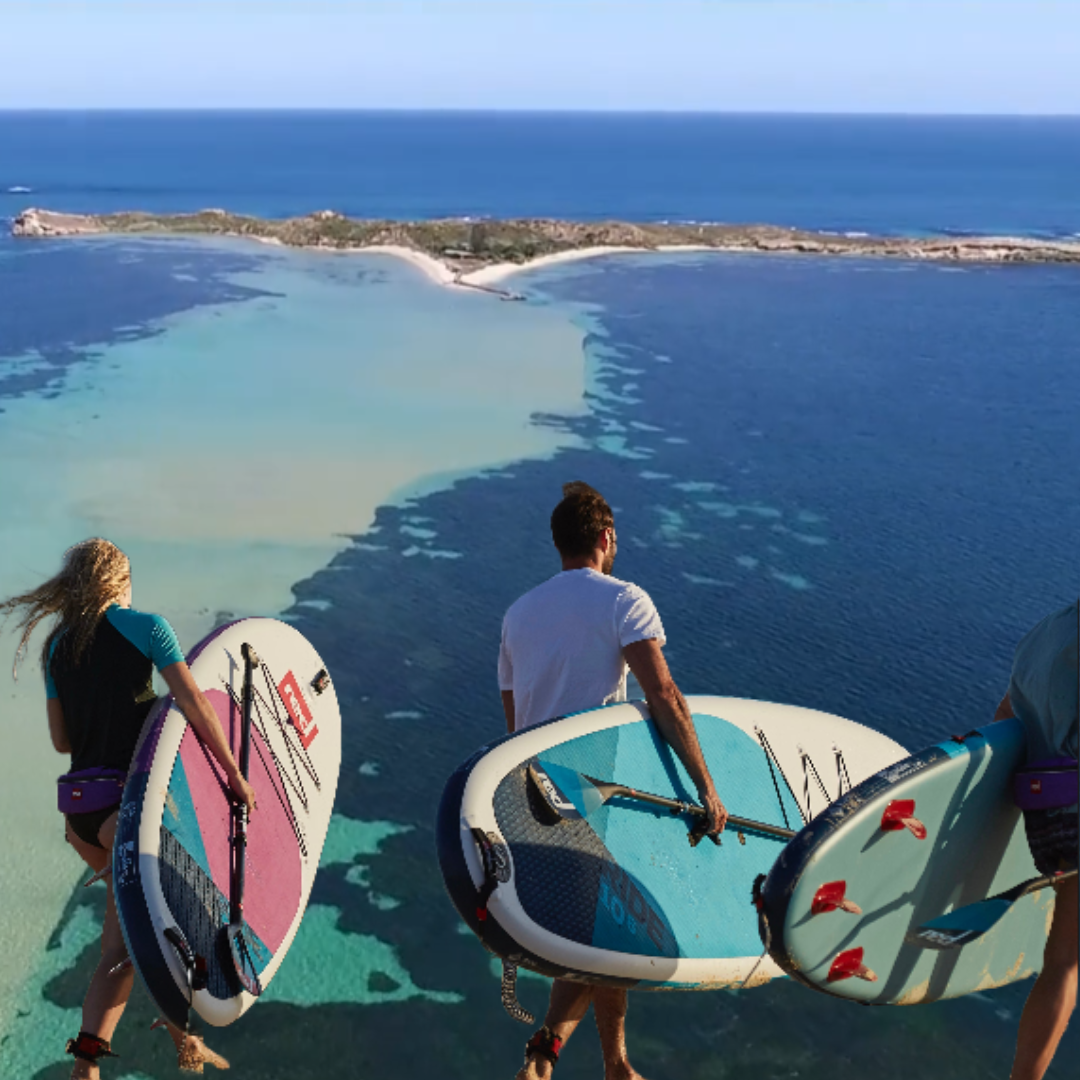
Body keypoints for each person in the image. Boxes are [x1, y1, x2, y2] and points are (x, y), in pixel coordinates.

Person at [1, 539, 257, 1079]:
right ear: (118, 580)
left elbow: (62, 741)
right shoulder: (148, 628)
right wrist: (235, 775)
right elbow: (195, 705)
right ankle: (133, 1053)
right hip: (126, 811)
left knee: (133, 941)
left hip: (80, 817)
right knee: (150, 933)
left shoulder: (58, 647)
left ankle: (130, 1053)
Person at [498, 482, 727, 1080]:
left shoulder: (518, 615)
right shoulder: (625, 599)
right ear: (605, 538)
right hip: (592, 790)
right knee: (610, 929)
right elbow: (664, 695)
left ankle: (598, 1062)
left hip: (531, 792)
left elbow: (513, 723)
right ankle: (564, 1058)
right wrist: (706, 786)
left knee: (594, 927)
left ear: (559, 543)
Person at [992, 600, 1078, 1080]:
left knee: (1060, 961)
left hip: (1042, 822)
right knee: (1067, 963)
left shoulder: (1044, 631)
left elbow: (1005, 719)